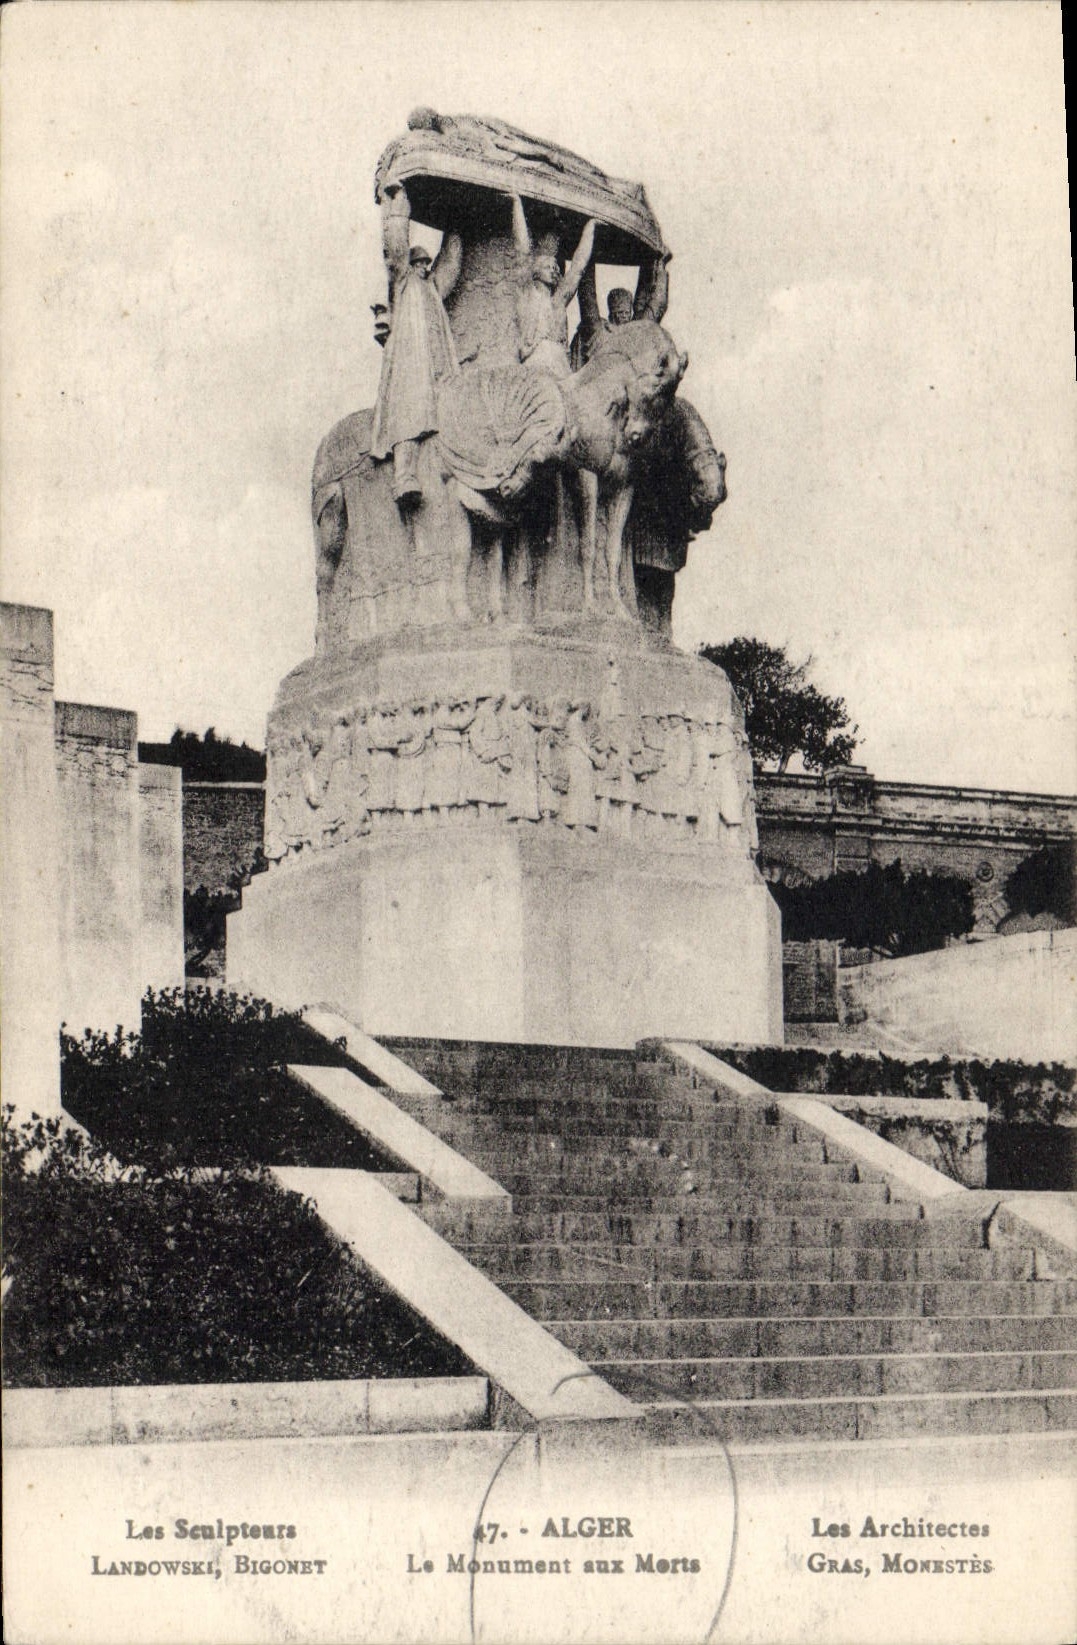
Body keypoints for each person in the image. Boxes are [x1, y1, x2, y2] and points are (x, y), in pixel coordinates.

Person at [370, 181, 463, 505]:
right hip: (411, 361)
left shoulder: (433, 288)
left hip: (439, 362)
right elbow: (395, 250)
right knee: (408, 409)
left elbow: (450, 262)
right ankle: (403, 477)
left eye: (426, 263)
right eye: (418, 263)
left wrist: (457, 220)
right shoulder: (403, 283)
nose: (423, 267)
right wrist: (398, 209)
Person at [512, 193, 596, 378]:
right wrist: (517, 205)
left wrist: (591, 227)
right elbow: (522, 252)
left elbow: (577, 270)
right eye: (546, 266)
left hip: (559, 363)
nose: (553, 270)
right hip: (535, 363)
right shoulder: (527, 293)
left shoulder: (557, 301)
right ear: (535, 271)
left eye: (555, 267)